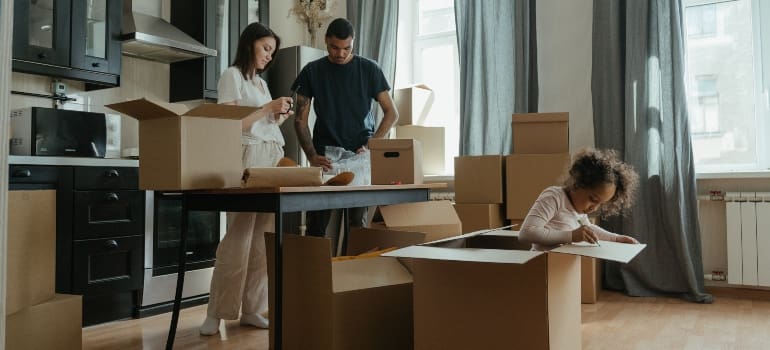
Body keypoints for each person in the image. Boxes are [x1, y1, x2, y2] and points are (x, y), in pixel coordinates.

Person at [199, 22, 293, 336]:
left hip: (272, 157)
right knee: (237, 238)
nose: (269, 56)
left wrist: (278, 114)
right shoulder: (232, 76)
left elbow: (263, 122)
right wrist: (268, 107)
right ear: (250, 43)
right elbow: (231, 125)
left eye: (273, 52)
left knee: (262, 240)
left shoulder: (262, 84)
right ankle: (216, 312)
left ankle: (252, 308)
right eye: (266, 48)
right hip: (247, 158)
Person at [291, 18, 399, 239]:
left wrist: (373, 144)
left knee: (357, 227)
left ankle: (353, 273)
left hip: (360, 154)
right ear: (326, 41)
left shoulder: (369, 69)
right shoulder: (312, 71)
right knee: (316, 225)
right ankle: (314, 272)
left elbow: (392, 113)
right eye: (334, 48)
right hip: (325, 156)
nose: (340, 54)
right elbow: (300, 120)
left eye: (347, 48)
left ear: (353, 43)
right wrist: (311, 155)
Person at [518, 148, 641, 251]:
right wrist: (571, 236)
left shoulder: (579, 210)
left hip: (564, 268)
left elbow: (588, 229)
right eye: (593, 199)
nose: (594, 208)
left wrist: (616, 238)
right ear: (577, 183)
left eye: (600, 204)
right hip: (541, 266)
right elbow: (526, 233)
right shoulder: (554, 197)